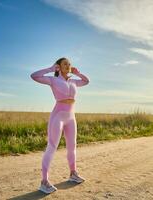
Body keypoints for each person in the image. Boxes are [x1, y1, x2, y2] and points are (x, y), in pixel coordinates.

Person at [30, 57, 90, 194]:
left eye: (69, 64)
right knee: (52, 146)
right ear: (59, 66)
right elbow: (34, 76)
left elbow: (86, 81)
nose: (68, 66)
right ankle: (44, 182)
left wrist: (78, 73)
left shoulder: (74, 81)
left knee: (72, 146)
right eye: (65, 64)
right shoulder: (53, 80)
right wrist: (50, 70)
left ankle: (73, 173)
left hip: (71, 117)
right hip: (58, 117)